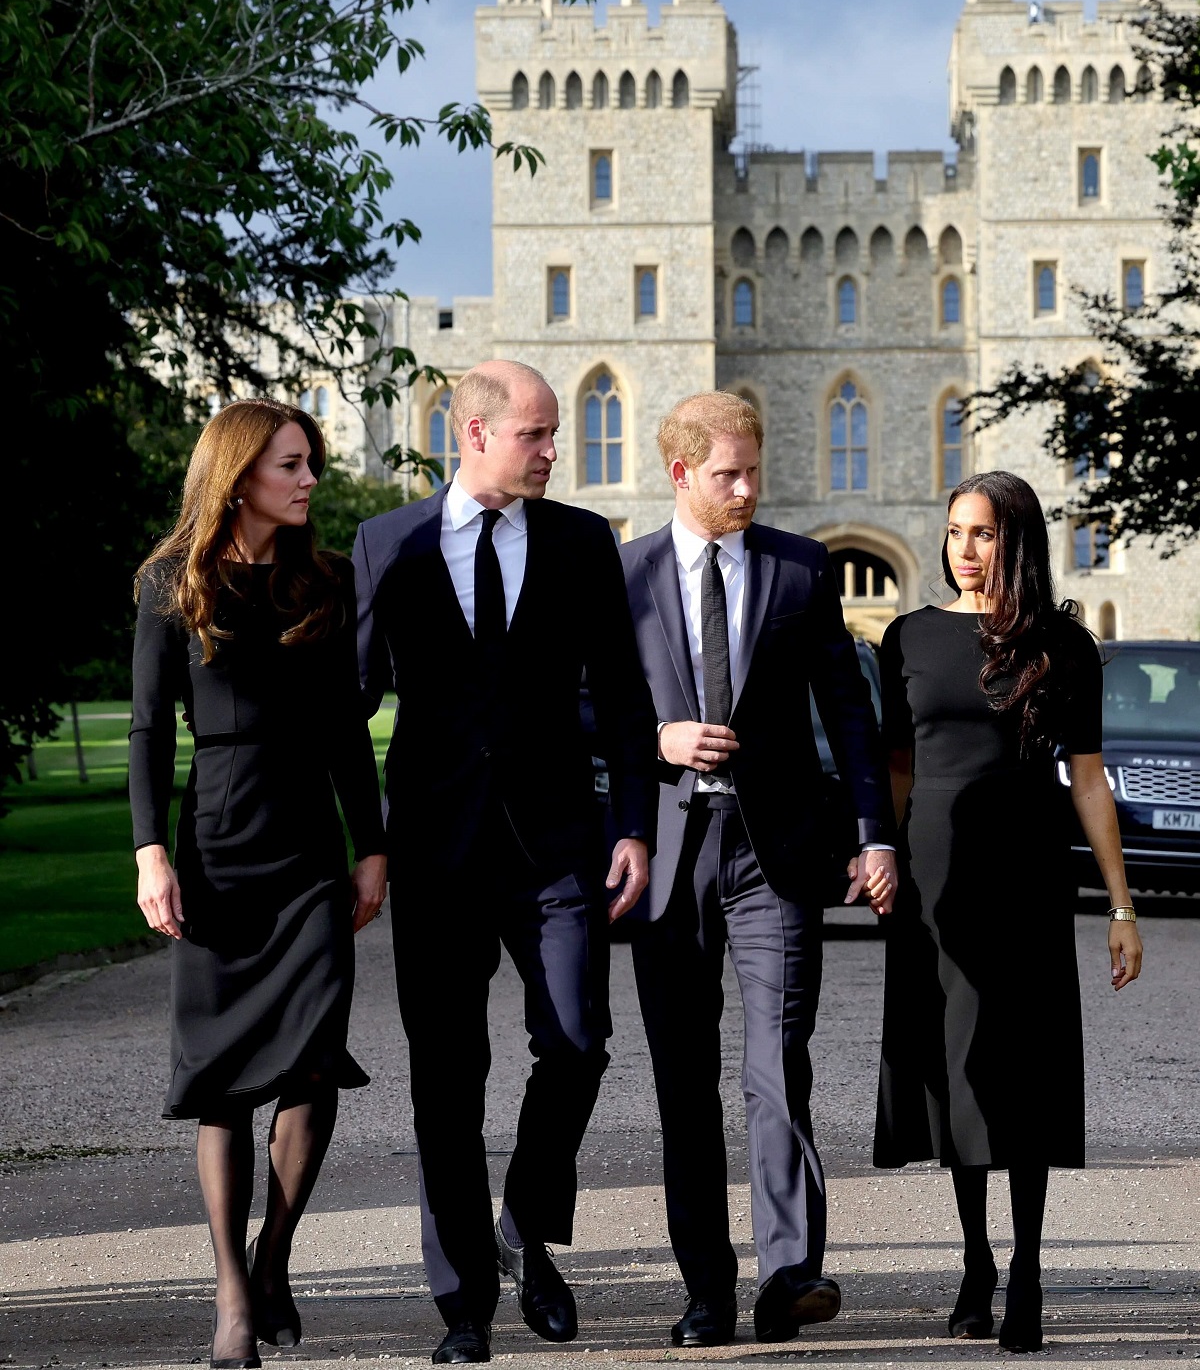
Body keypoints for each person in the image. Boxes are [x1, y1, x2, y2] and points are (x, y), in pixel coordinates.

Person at [352, 360, 657, 1366]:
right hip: (436, 853)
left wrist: (635, 826)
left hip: (558, 845)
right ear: (474, 434)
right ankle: (465, 1306)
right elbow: (347, 703)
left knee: (576, 1040)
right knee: (448, 1077)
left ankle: (525, 1225)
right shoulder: (386, 543)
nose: (552, 451)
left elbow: (621, 693)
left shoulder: (579, 542)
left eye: (554, 434)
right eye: (535, 434)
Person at [618, 391, 897, 1348]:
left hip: (774, 853)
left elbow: (850, 711)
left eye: (753, 469)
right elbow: (580, 712)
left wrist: (874, 832)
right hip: (668, 856)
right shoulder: (627, 575)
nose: (747, 488)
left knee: (779, 1058)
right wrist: (660, 735)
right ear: (682, 473)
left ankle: (790, 1273)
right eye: (727, 473)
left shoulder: (800, 567)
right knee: (683, 1078)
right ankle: (706, 1289)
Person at [130, 400, 387, 1370]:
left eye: (311, 461)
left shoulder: (327, 581)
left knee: (314, 1062)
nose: (311, 477)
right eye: (294, 463)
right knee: (222, 1085)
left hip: (309, 857)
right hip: (219, 852)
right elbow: (151, 731)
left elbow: (347, 736)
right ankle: (234, 1300)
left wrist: (373, 846)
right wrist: (151, 852)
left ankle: (274, 1255)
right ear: (241, 475)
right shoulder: (170, 583)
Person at [873, 469, 1143, 1354]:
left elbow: (1090, 779)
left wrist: (1121, 905)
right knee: (959, 1073)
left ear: (1015, 540)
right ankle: (977, 1258)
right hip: (935, 880)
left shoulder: (1064, 647)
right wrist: (882, 854)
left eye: (983, 533)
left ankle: (1026, 1266)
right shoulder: (907, 636)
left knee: (1023, 1071)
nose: (965, 548)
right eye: (955, 531)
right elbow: (899, 768)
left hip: (1028, 877)